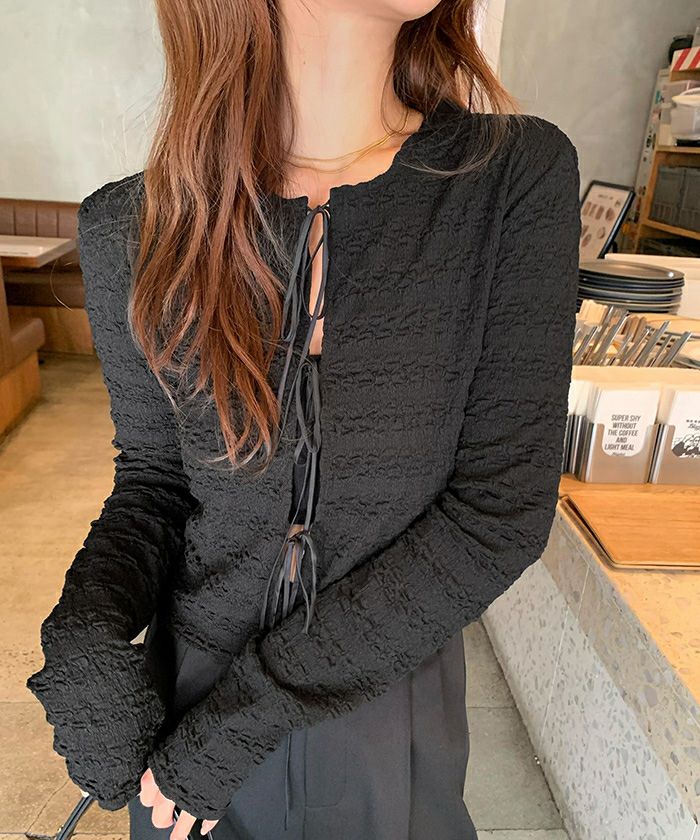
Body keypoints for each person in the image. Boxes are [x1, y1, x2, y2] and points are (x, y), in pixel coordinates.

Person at [26, 0, 582, 838]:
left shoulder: (511, 180)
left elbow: (496, 512)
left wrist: (239, 726)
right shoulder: (131, 226)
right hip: (187, 715)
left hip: (382, 705)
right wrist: (86, 628)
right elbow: (156, 481)